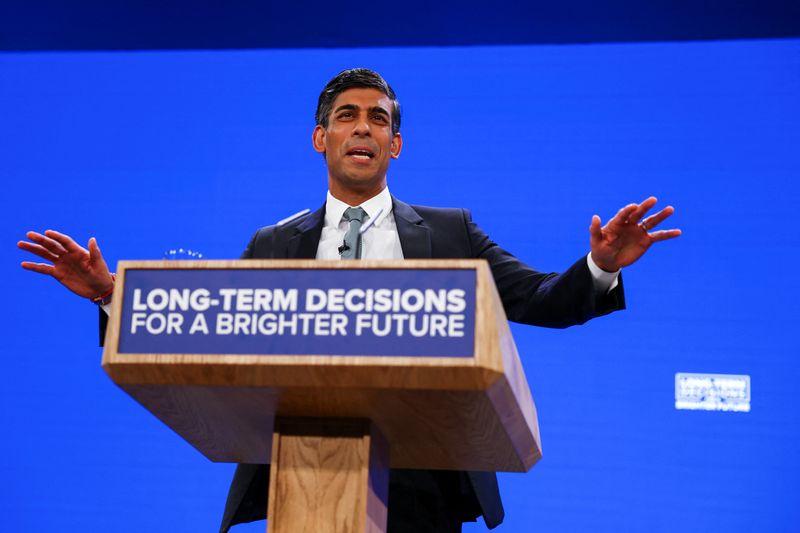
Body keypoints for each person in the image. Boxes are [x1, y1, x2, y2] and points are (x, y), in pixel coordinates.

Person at [18, 68, 680, 532]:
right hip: (303, 476)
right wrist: (112, 296)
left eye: (379, 119)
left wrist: (598, 265)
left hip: (428, 477)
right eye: (347, 117)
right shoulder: (274, 242)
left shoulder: (450, 232)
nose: (363, 128)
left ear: (395, 144)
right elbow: (208, 339)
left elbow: (543, 299)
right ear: (321, 138)